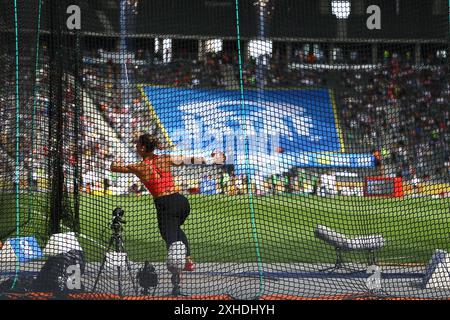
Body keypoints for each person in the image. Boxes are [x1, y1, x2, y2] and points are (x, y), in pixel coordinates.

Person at [110, 134, 225, 272]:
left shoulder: (138, 167)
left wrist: (116, 158)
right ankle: (188, 261)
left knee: (170, 238)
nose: (135, 146)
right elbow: (189, 160)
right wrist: (212, 159)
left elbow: (114, 168)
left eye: (138, 144)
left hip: (165, 205)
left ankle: (179, 273)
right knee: (175, 229)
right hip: (181, 202)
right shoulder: (164, 158)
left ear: (143, 148)